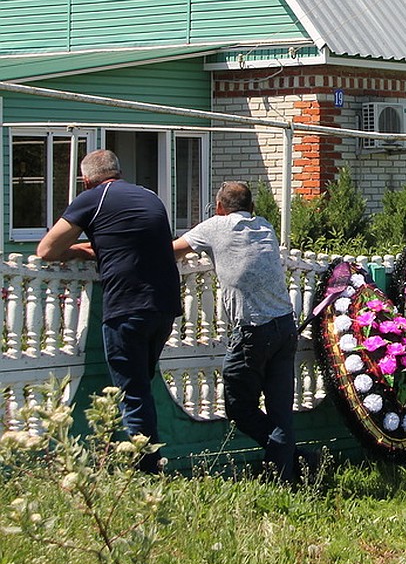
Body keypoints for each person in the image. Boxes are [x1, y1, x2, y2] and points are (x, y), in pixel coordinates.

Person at [37, 149, 182, 474]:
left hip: (127, 306)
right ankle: (147, 456)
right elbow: (135, 242)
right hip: (164, 305)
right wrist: (98, 248)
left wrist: (78, 251)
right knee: (141, 384)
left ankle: (145, 470)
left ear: (87, 180)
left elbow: (46, 249)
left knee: (133, 393)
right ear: (118, 172)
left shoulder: (91, 199)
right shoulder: (149, 196)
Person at [172, 182, 313, 483]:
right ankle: (287, 473)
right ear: (252, 209)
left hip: (254, 331)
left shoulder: (215, 227)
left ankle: (292, 462)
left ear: (220, 208)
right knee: (280, 412)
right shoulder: (264, 226)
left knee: (238, 406)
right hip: (284, 324)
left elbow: (173, 251)